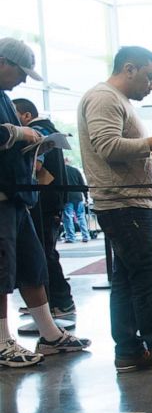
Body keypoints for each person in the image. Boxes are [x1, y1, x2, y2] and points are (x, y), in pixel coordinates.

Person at [79, 45, 152, 381]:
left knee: (127, 280)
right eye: (150, 77)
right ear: (129, 69)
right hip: (123, 203)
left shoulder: (116, 101)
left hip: (130, 201)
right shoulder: (104, 98)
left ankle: (128, 351)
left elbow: (121, 153)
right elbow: (109, 147)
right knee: (146, 279)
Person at [0, 37, 90, 367]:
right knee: (3, 269)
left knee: (32, 265)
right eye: (21, 72)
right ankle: (3, 341)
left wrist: (34, 145)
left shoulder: (5, 97)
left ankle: (49, 333)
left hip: (16, 196)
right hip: (4, 197)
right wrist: (19, 133)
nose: (23, 79)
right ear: (4, 62)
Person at [13, 97, 76, 316]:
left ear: (26, 116)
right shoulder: (49, 129)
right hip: (51, 202)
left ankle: (59, 301)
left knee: (44, 252)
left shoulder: (39, 131)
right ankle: (49, 303)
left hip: (44, 205)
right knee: (45, 252)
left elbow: (34, 164)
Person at [62, 163, 90, 243]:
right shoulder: (75, 170)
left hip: (67, 196)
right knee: (81, 216)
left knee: (68, 217)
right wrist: (86, 197)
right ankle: (86, 236)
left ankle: (71, 237)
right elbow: (82, 184)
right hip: (78, 196)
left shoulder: (62, 171)